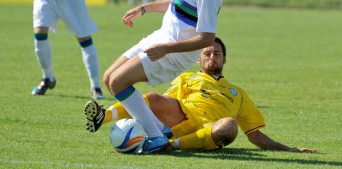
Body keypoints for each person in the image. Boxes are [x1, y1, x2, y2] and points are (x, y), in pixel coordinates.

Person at [85, 0, 224, 154]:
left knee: (120, 83)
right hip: (161, 38)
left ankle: (156, 137)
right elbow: (179, 2)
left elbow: (207, 37)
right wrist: (144, 8)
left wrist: (167, 49)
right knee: (110, 78)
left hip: (173, 52)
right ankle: (160, 128)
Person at [84, 37, 317, 153]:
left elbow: (255, 135)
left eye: (217, 53)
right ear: (198, 59)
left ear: (225, 59)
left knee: (229, 125)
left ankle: (171, 146)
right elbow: (163, 104)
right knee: (153, 97)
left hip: (208, 129)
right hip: (181, 117)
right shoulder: (188, 78)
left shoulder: (240, 94)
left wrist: (291, 150)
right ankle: (103, 117)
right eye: (207, 53)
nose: (212, 57)